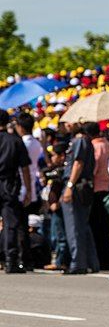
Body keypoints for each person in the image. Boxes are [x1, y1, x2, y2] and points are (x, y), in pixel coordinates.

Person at [61, 123, 99, 274]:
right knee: (82, 226)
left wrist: (70, 186)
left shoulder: (80, 141)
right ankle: (90, 262)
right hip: (81, 187)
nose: (67, 125)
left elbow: (78, 163)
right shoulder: (82, 140)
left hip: (76, 186)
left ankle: (78, 263)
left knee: (74, 227)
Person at [0, 109, 32, 273]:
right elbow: (25, 168)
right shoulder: (15, 141)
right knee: (10, 223)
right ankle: (10, 260)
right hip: (8, 184)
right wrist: (28, 190)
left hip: (7, 181)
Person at [15, 112, 43, 269]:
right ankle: (26, 258)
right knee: (24, 224)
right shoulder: (37, 143)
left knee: (18, 225)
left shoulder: (22, 144)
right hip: (31, 184)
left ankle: (21, 257)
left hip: (21, 185)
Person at [84, 122, 109, 271]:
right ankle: (106, 260)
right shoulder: (107, 144)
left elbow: (93, 169)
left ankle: (100, 260)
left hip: (96, 189)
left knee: (96, 227)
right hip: (108, 187)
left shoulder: (95, 147)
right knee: (105, 228)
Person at [43, 142, 71, 271]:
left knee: (61, 237)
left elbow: (63, 187)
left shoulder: (63, 170)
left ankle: (61, 262)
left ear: (61, 156)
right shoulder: (56, 169)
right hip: (53, 207)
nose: (52, 158)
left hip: (59, 207)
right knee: (56, 236)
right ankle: (60, 261)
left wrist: (58, 203)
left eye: (53, 155)